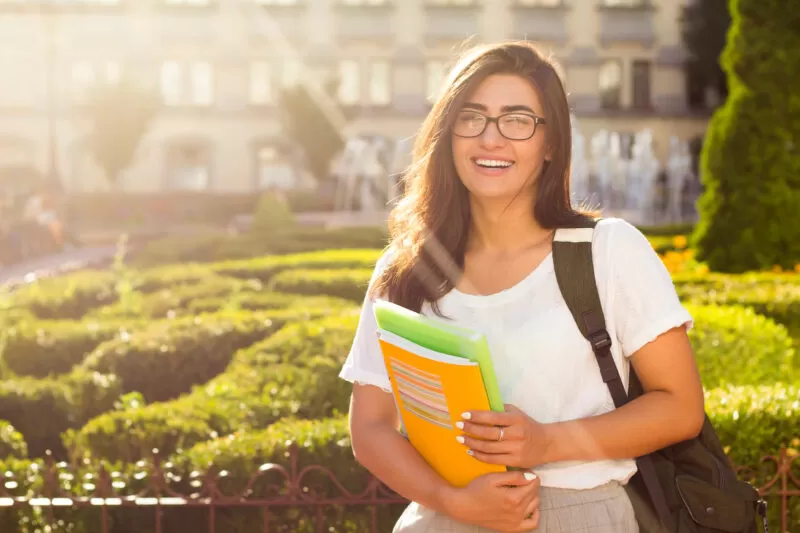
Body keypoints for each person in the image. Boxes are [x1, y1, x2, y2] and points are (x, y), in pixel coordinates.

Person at [338, 41, 705, 533]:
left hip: (579, 517)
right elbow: (370, 427)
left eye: (518, 120)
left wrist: (545, 443)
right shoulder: (405, 267)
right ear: (447, 134)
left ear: (550, 142)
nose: (492, 139)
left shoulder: (609, 251)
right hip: (442, 517)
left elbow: (680, 408)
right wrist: (452, 500)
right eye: (472, 117)